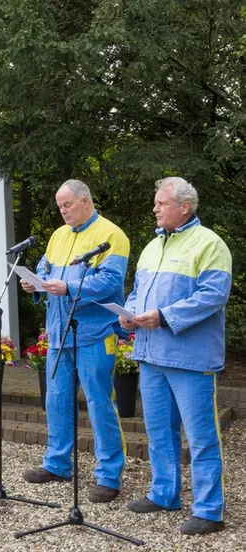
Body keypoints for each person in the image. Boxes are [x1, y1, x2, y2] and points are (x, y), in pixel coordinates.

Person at [120, 177, 230, 535]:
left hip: (190, 359)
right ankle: (164, 493)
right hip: (152, 356)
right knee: (159, 432)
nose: (155, 208)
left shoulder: (210, 243)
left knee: (200, 437)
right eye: (155, 203)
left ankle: (210, 510)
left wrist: (164, 317)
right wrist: (129, 311)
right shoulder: (153, 246)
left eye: (161, 203)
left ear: (184, 207)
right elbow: (138, 291)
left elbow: (214, 294)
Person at [19, 179, 129, 503]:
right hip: (58, 332)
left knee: (99, 402)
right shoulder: (57, 235)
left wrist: (64, 286)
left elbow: (110, 282)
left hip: (94, 333)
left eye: (66, 205)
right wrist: (35, 285)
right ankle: (57, 464)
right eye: (59, 206)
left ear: (85, 201)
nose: (62, 211)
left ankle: (109, 476)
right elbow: (44, 268)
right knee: (56, 400)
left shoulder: (112, 235)